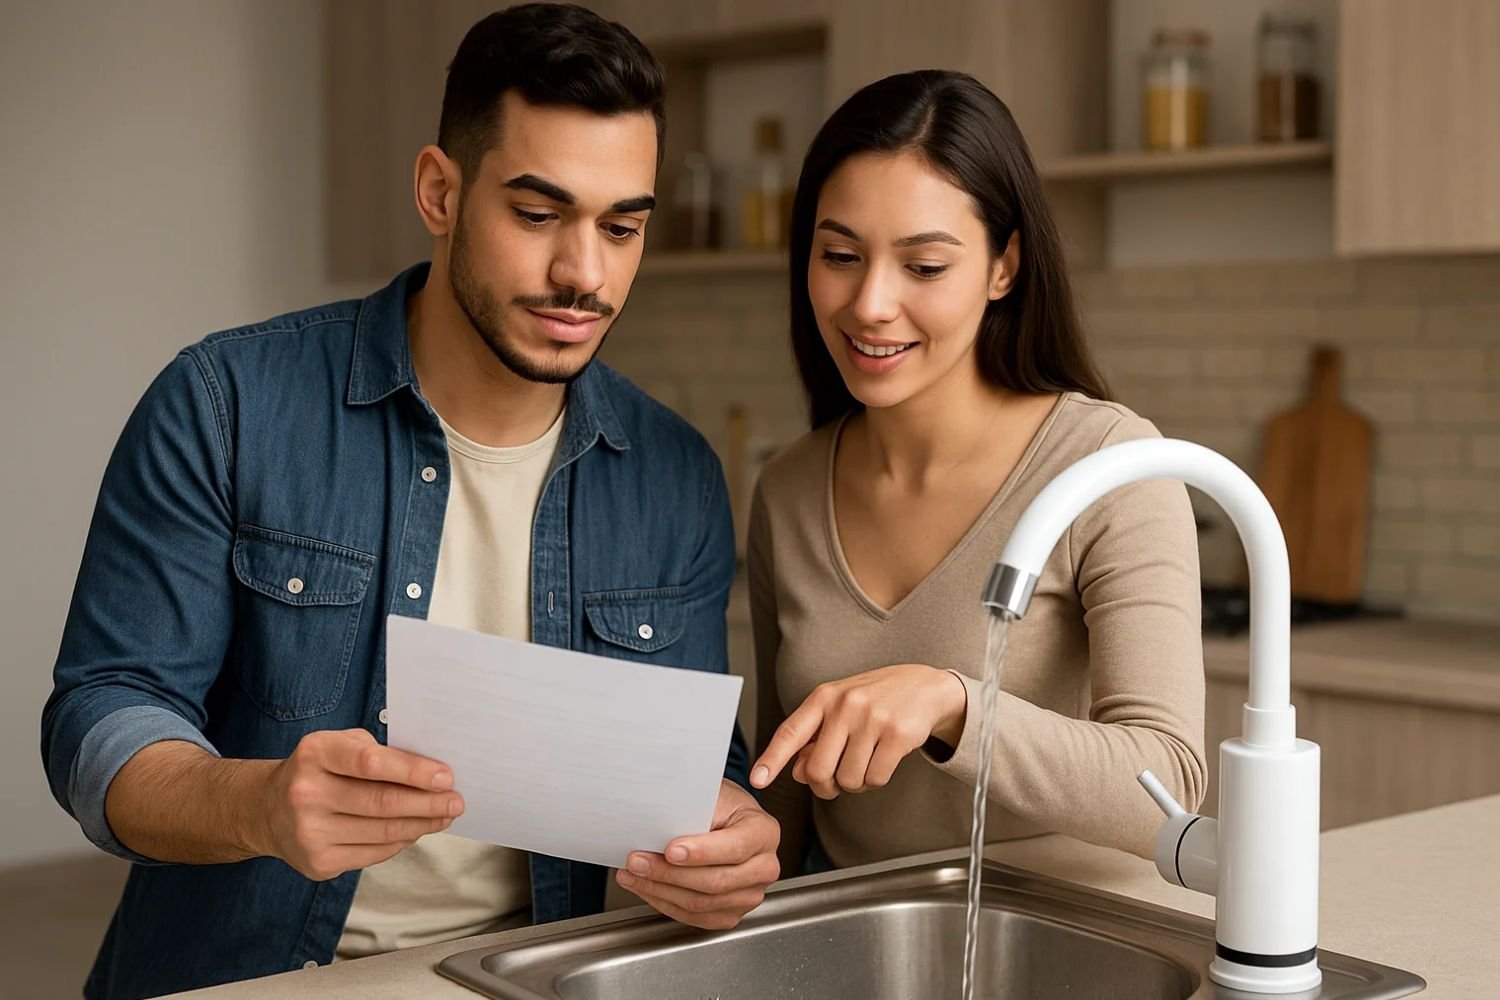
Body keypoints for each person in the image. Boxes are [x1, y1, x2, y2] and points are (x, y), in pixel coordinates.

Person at [40, 6, 778, 998]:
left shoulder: (675, 474)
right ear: (440, 190)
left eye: (621, 226)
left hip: (532, 973)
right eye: (537, 213)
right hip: (255, 974)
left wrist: (727, 832)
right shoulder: (225, 403)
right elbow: (102, 714)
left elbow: (691, 772)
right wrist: (257, 803)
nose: (585, 274)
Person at [745, 70, 1206, 876]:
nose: (871, 303)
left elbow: (1168, 782)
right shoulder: (787, 490)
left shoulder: (1110, 469)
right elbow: (785, 796)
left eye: (924, 267)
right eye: (840, 256)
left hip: (1081, 937)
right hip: (861, 930)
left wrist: (955, 704)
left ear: (1004, 268)